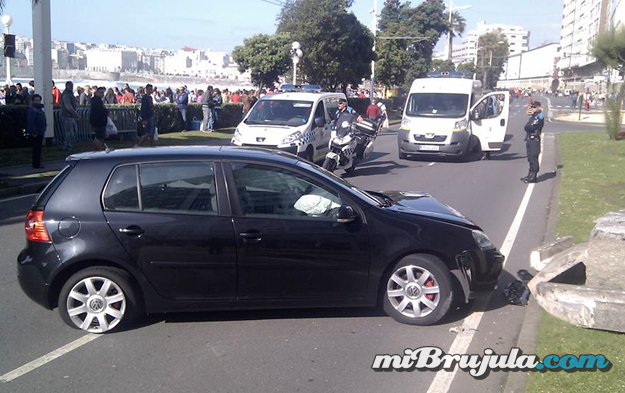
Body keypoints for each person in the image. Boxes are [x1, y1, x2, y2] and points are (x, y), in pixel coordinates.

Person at [521, 101, 544, 184]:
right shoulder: (533, 116)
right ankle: (530, 174)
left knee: (534, 157)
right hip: (529, 138)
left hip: (534, 139)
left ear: (538, 107)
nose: (533, 108)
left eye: (534, 107)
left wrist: (528, 127)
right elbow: (526, 126)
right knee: (530, 157)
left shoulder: (539, 116)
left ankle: (533, 176)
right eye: (532, 107)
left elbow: (529, 127)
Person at [27, 94, 47, 169]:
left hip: (40, 131)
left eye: (38, 100)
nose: (37, 102)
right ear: (33, 101)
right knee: (36, 148)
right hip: (36, 132)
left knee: (38, 148)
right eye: (36, 100)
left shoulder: (39, 109)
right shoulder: (33, 109)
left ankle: (37, 163)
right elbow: (31, 121)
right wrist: (34, 131)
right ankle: (36, 164)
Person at [60, 81, 81, 151]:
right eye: (70, 86)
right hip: (67, 115)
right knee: (70, 132)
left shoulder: (68, 94)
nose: (72, 87)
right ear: (67, 86)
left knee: (73, 131)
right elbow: (68, 106)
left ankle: (69, 145)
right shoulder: (66, 94)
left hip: (70, 115)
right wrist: (76, 114)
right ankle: (67, 146)